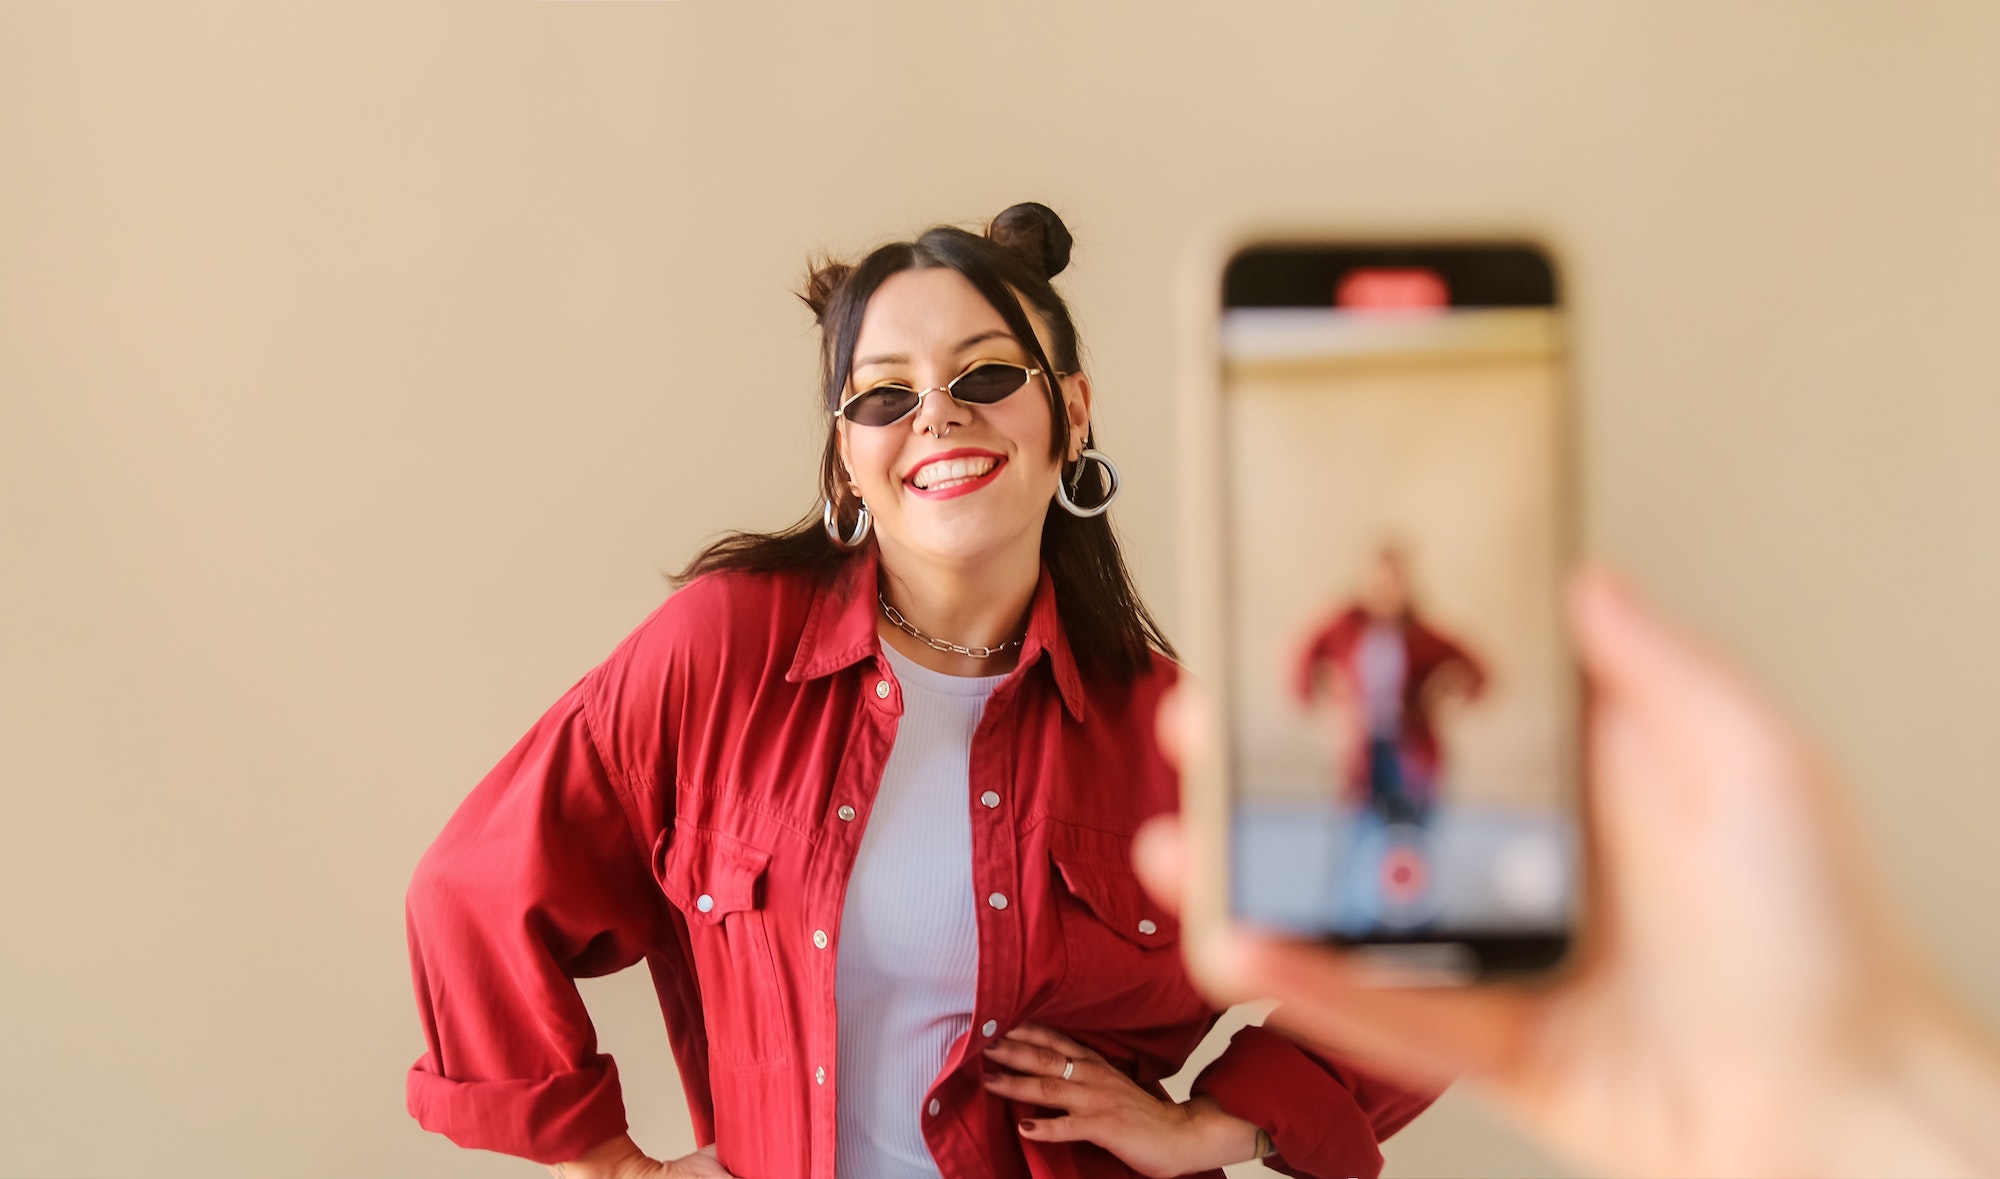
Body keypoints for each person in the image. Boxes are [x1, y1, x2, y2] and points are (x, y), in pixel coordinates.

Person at [403, 203, 1437, 1179]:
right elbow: (472, 893)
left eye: (985, 377)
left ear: (1070, 413)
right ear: (847, 460)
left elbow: (1438, 938)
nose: (936, 419)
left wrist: (1214, 1127)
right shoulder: (723, 654)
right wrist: (605, 1163)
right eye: (885, 395)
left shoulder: (1170, 736)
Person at [1138, 568, 2000, 1178]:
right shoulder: (1339, 640)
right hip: (1377, 776)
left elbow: (1459, 668)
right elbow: (1306, 663)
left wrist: (1861, 1092)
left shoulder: (1162, 710)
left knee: (1396, 884)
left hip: (1411, 777)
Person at [1293, 544, 1484, 827]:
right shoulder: (1344, 627)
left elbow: (1477, 671)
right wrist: (1326, 713)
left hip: (1411, 752)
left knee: (1411, 840)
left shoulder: (1422, 635)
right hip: (1362, 752)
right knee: (1361, 836)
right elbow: (1302, 662)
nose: (1386, 589)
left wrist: (1444, 699)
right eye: (1379, 579)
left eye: (1395, 580)